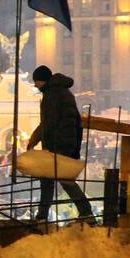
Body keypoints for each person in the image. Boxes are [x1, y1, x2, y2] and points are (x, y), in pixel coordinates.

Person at [26, 65, 95, 224]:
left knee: (63, 180)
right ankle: (43, 215)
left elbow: (48, 124)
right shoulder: (63, 92)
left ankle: (86, 212)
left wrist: (35, 141)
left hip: (58, 145)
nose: (35, 85)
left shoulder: (52, 94)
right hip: (66, 143)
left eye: (36, 81)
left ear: (42, 80)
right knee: (48, 179)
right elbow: (74, 122)